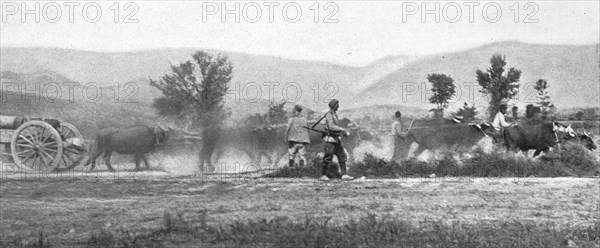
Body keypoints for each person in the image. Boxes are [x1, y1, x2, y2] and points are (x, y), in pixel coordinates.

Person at [320, 99, 353, 180]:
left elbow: (335, 127)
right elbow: (331, 126)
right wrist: (342, 129)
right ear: (333, 105)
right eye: (337, 104)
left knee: (342, 156)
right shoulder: (329, 114)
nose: (338, 106)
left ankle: (344, 175)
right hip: (330, 140)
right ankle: (323, 175)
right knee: (328, 157)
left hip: (336, 139)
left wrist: (341, 131)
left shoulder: (334, 114)